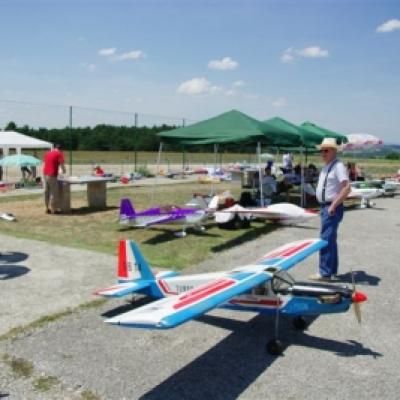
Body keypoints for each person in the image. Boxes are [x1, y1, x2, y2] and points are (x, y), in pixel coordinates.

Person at [310, 138, 351, 281]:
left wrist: (333, 205)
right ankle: (331, 270)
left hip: (331, 207)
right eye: (321, 150)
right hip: (326, 206)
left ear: (334, 151)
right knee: (330, 239)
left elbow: (347, 187)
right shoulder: (328, 166)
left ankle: (325, 273)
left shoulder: (338, 166)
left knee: (326, 239)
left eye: (326, 150)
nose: (323, 153)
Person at [43, 144, 66, 214]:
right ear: (61, 149)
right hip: (52, 175)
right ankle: (54, 210)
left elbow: (47, 163)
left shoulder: (48, 153)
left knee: (46, 192)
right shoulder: (59, 154)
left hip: (45, 174)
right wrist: (64, 170)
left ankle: (47, 208)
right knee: (54, 193)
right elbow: (62, 165)